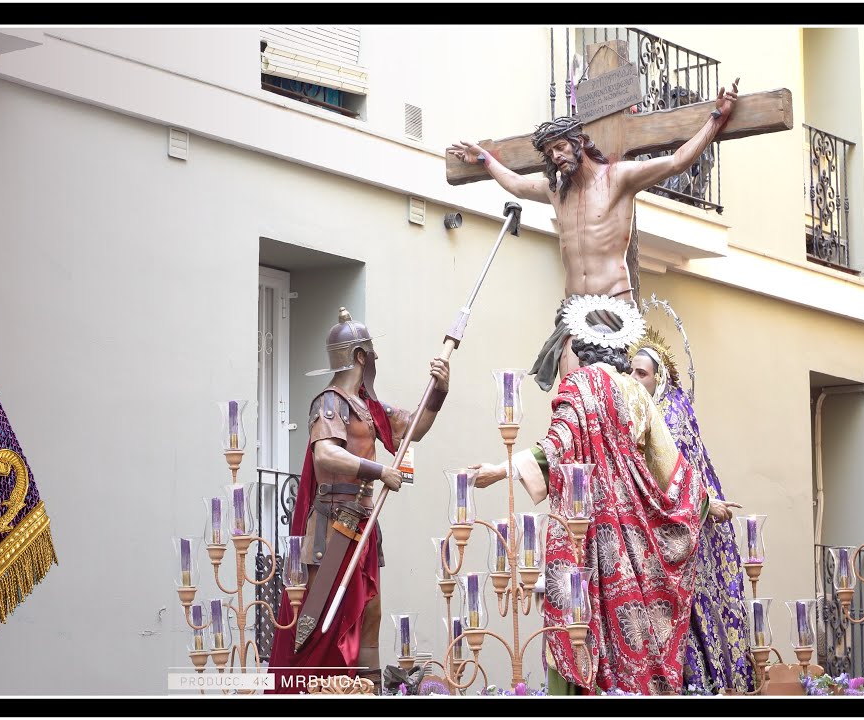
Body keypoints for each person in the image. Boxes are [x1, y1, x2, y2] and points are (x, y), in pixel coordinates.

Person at [472, 298, 706, 695]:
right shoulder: (636, 391)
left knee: (575, 618)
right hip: (636, 536)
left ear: (577, 349)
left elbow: (558, 445)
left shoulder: (581, 387)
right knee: (635, 629)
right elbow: (676, 473)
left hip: (588, 526)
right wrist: (691, 509)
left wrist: (500, 470)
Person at [446, 82, 739, 392]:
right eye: (550, 153)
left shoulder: (618, 178)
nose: (556, 156)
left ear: (578, 142)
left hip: (612, 305)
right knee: (571, 391)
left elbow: (677, 161)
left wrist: (716, 117)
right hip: (573, 308)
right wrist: (484, 160)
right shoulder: (556, 192)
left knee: (597, 391)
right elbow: (517, 185)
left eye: (560, 147)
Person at [267, 308, 450, 694]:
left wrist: (438, 391)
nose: (376, 360)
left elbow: (414, 427)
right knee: (324, 622)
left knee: (369, 612)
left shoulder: (369, 407)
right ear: (360, 357)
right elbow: (325, 456)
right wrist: (378, 471)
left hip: (364, 523)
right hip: (333, 527)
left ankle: (369, 693)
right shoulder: (330, 402)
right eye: (372, 352)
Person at [629, 327, 752, 693]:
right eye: (630, 371)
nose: (633, 379)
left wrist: (704, 505)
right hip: (648, 529)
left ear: (659, 378)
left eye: (642, 373)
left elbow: (679, 477)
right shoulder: (636, 413)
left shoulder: (672, 415)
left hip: (681, 532)